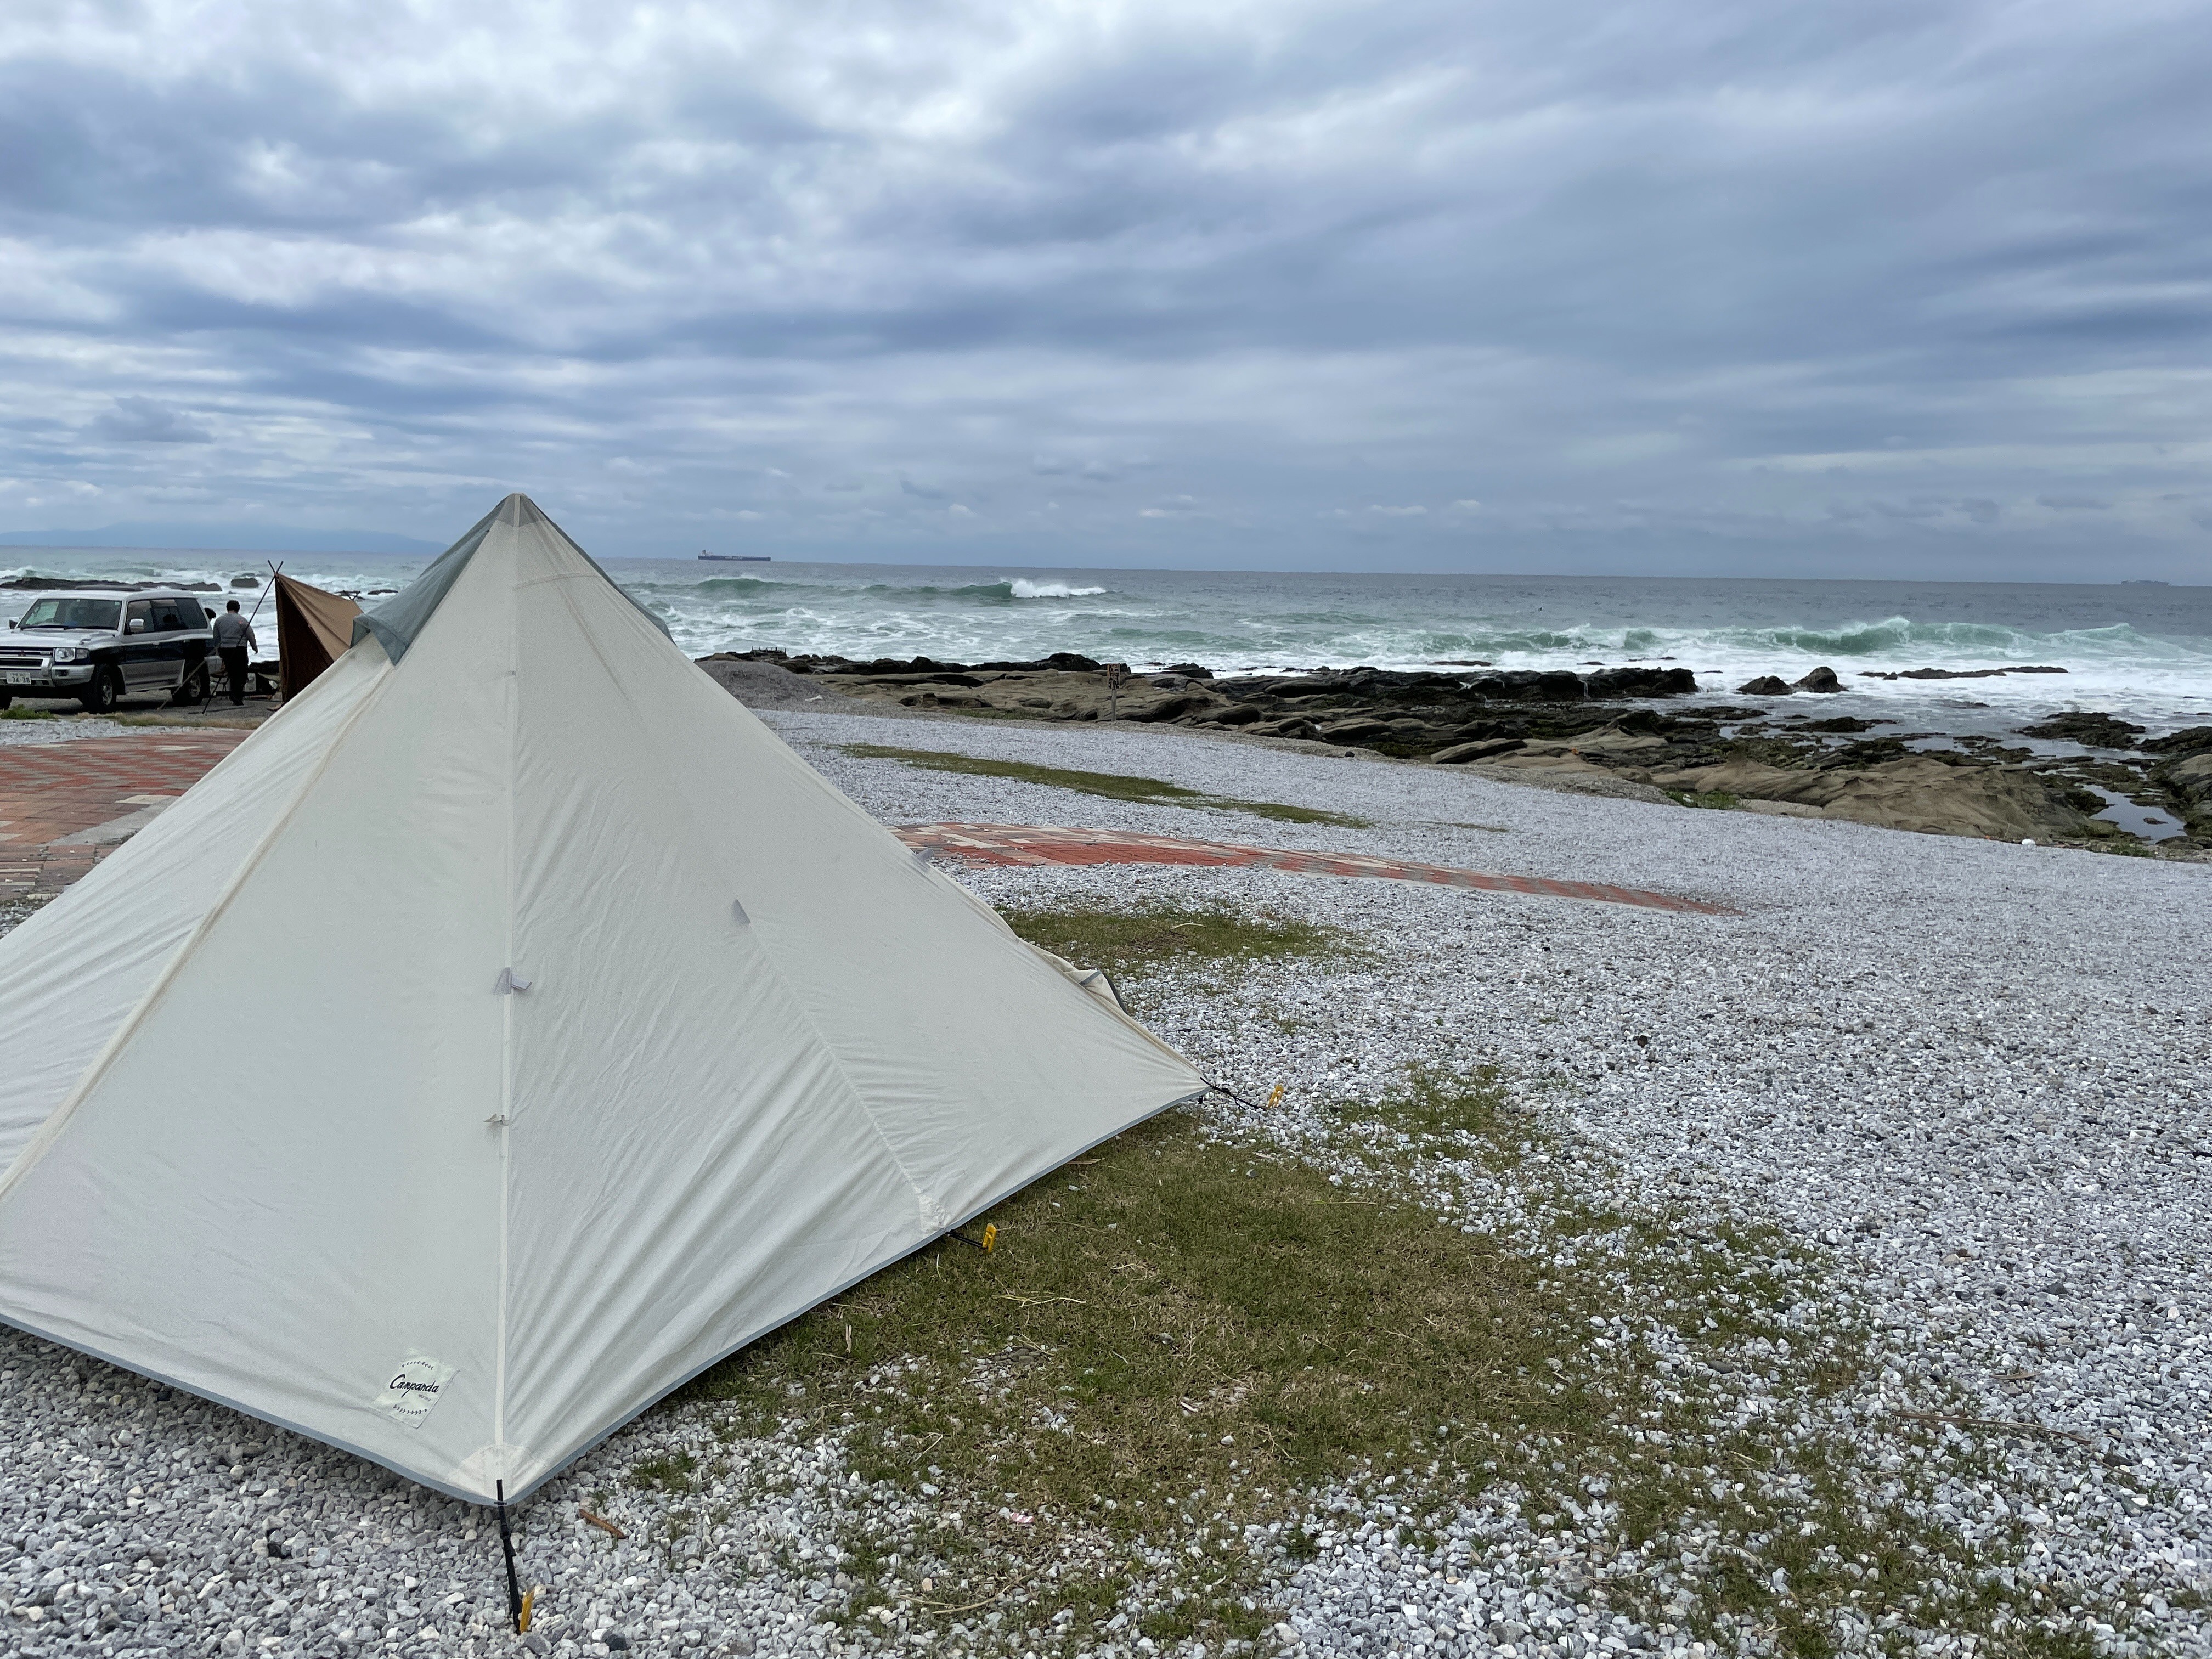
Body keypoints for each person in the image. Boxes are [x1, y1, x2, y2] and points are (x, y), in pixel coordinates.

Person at [211, 599, 258, 706]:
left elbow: (216, 638)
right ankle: (236, 696)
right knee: (241, 674)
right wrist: (254, 647)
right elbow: (250, 634)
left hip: (225, 650)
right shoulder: (242, 620)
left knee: (232, 673)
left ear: (227, 608)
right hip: (239, 649)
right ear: (238, 609)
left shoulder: (219, 620)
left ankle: (235, 695)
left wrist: (217, 651)